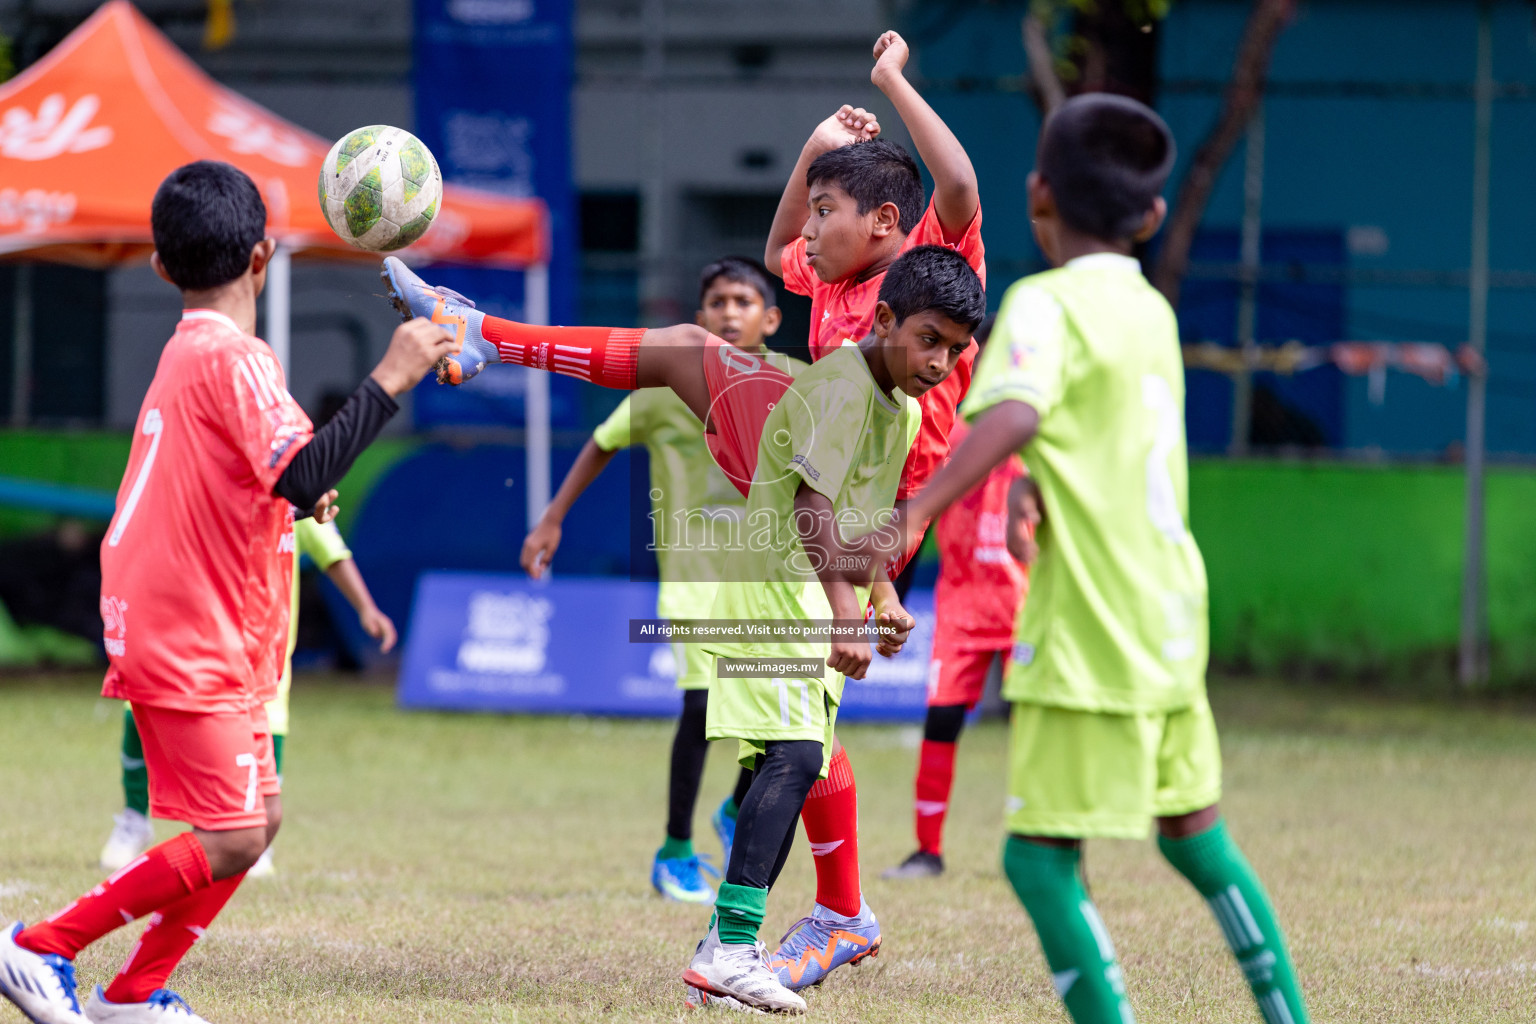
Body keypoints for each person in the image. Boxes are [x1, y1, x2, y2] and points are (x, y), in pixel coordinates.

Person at [380, 243, 982, 1013]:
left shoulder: (899, 406)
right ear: (888, 318)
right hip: (774, 600)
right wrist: (845, 614)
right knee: (794, 759)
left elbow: (858, 519)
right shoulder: (840, 388)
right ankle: (731, 946)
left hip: (801, 596)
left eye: (956, 351)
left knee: (797, 760)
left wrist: (884, 598)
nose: (940, 362)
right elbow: (811, 506)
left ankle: (741, 941)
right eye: (929, 339)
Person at [867, 94, 1310, 1024]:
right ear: (1150, 217)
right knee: (1194, 837)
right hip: (1171, 611)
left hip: (1093, 624)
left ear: (1037, 197)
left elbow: (1020, 408)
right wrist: (1037, 485)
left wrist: (917, 512)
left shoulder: (1045, 302)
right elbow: (1093, 432)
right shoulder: (1149, 308)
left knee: (1037, 859)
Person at [0, 160, 454, 1024]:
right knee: (236, 833)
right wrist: (393, 373)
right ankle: (40, 946)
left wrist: (296, 482)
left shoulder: (193, 352)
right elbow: (305, 469)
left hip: (207, 623)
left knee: (260, 819)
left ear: (162, 268)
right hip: (190, 627)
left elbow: (274, 476)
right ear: (264, 255)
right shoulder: (234, 357)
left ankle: (132, 996)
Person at [518, 257, 799, 903]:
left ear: (772, 319)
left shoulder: (794, 383)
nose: (730, 313)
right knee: (703, 707)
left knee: (778, 729)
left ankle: (733, 812)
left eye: (743, 301)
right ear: (697, 320)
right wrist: (553, 519)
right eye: (717, 302)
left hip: (770, 584)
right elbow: (601, 441)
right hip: (695, 579)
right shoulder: (665, 386)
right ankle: (675, 849)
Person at [99, 516, 397, 877]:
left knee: (268, 740)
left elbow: (333, 553)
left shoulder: (294, 488)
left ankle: (258, 840)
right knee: (141, 714)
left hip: (265, 657)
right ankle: (134, 819)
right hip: (198, 645)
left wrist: (366, 607)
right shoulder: (214, 487)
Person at [882, 325, 1039, 878]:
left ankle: (1054, 849)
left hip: (1030, 604)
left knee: (1039, 727)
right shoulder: (951, 432)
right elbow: (915, 514)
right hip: (962, 604)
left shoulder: (1042, 432)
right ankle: (927, 850)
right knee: (942, 720)